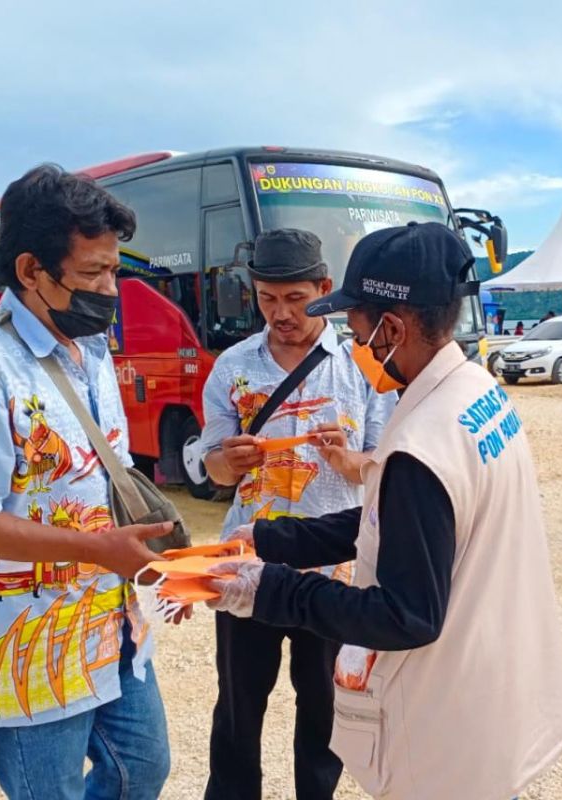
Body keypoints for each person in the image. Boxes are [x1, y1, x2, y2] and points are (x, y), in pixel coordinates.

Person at [201, 222, 562, 799]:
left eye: (356, 330)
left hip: (443, 706)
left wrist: (270, 589)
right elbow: (393, 520)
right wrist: (276, 541)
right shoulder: (475, 391)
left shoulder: (420, 443)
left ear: (393, 328)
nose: (355, 346)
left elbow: (406, 615)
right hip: (489, 667)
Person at [0, 165, 174, 799]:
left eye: (115, 271)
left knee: (141, 769)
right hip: (30, 646)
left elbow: (107, 479)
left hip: (114, 625)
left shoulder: (93, 350)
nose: (110, 290)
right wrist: (95, 551)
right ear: (31, 270)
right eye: (92, 274)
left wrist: (159, 565)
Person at [188, 229, 396, 800]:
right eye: (267, 299)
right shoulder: (233, 366)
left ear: (324, 289)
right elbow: (212, 469)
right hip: (248, 558)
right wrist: (225, 462)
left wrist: (347, 459)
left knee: (324, 702)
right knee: (238, 703)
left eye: (295, 299)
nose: (280, 313)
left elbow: (386, 468)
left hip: (333, 567)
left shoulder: (363, 364)